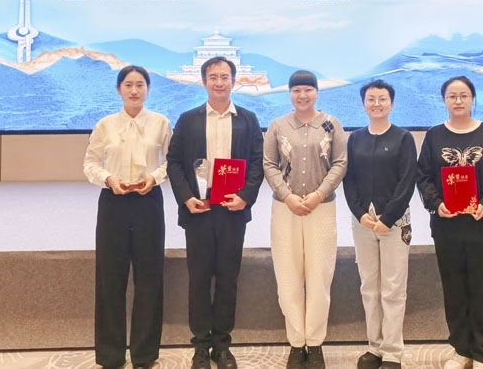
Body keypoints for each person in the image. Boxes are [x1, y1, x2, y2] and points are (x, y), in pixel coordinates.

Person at [167, 56, 264, 369]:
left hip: (232, 209)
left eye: (225, 77)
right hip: (199, 209)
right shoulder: (188, 119)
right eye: (213, 77)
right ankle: (200, 346)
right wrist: (186, 198)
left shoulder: (248, 119)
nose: (219, 82)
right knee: (198, 279)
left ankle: (222, 345)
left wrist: (245, 197)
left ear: (234, 81)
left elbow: (258, 163)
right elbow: (174, 163)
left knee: (227, 278)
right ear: (204, 81)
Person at [415, 76, 483, 369]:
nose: (458, 100)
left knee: (482, 289)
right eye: (452, 96)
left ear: (472, 99)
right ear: (444, 100)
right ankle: (461, 350)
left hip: (482, 226)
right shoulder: (434, 136)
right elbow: (423, 177)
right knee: (454, 289)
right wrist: (437, 204)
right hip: (446, 227)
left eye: (464, 95)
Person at [84, 65, 172, 369]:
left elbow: (172, 161)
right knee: (110, 278)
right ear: (118, 89)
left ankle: (144, 355)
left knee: (149, 278)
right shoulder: (105, 125)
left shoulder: (161, 123)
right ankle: (110, 355)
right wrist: (108, 179)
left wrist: (155, 177)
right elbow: (90, 163)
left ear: (148, 89)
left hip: (149, 202)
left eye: (140, 85)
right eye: (128, 85)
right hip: (114, 203)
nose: (134, 90)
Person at [263, 70, 347, 369]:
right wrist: (287, 196)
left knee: (319, 277)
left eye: (308, 90)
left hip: (321, 209)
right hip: (285, 209)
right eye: (296, 90)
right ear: (290, 94)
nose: (302, 95)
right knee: (288, 278)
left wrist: (319, 194)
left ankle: (315, 343)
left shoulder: (331, 124)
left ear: (316, 92)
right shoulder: (278, 125)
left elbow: (340, 163)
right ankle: (297, 343)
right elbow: (269, 164)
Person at [343, 80, 417, 369]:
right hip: (363, 223)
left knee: (393, 289)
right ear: (364, 104)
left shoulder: (403, 138)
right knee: (369, 288)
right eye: (371, 99)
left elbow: (407, 181)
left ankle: (392, 353)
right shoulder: (355, 139)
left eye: (382, 99)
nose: (376, 103)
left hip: (394, 224)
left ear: (392, 104)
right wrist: (359, 213)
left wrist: (388, 218)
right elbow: (349, 180)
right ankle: (374, 347)